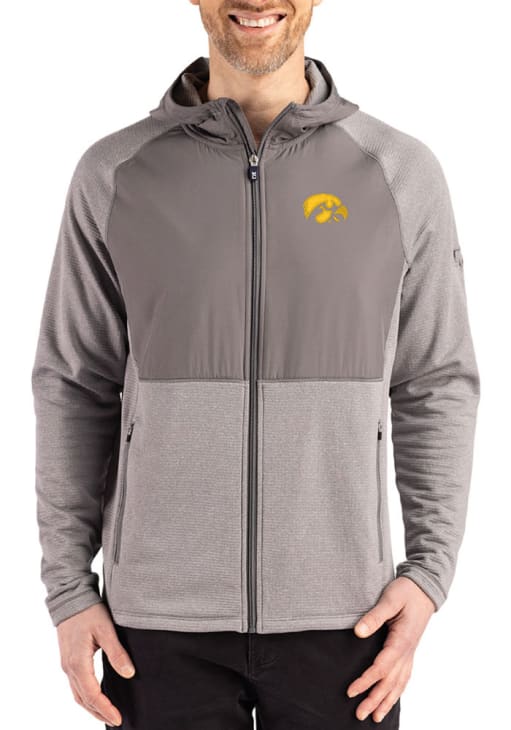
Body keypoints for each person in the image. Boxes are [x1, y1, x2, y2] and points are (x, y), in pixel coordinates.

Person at [31, 1, 480, 728]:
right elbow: (74, 383)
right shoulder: (113, 173)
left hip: (346, 618)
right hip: (155, 626)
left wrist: (429, 574)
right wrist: (68, 590)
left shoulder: (400, 173)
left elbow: (435, 382)